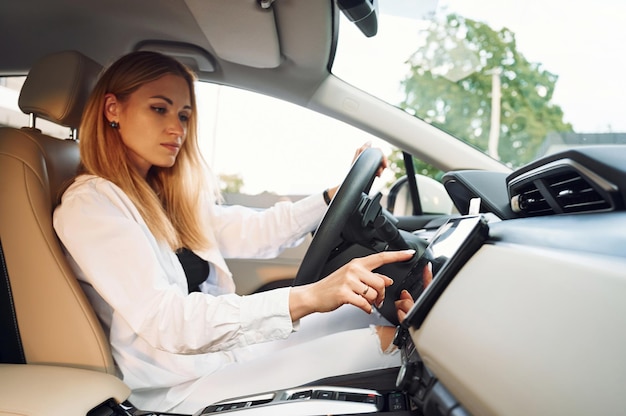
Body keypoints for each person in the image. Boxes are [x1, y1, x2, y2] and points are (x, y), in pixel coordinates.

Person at [53, 51, 415, 413]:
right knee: (390, 344)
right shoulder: (92, 204)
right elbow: (167, 321)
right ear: (112, 109)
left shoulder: (161, 194)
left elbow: (258, 231)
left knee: (367, 313)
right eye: (159, 109)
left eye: (183, 115)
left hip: (221, 354)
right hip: (179, 384)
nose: (177, 129)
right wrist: (309, 296)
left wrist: (330, 197)